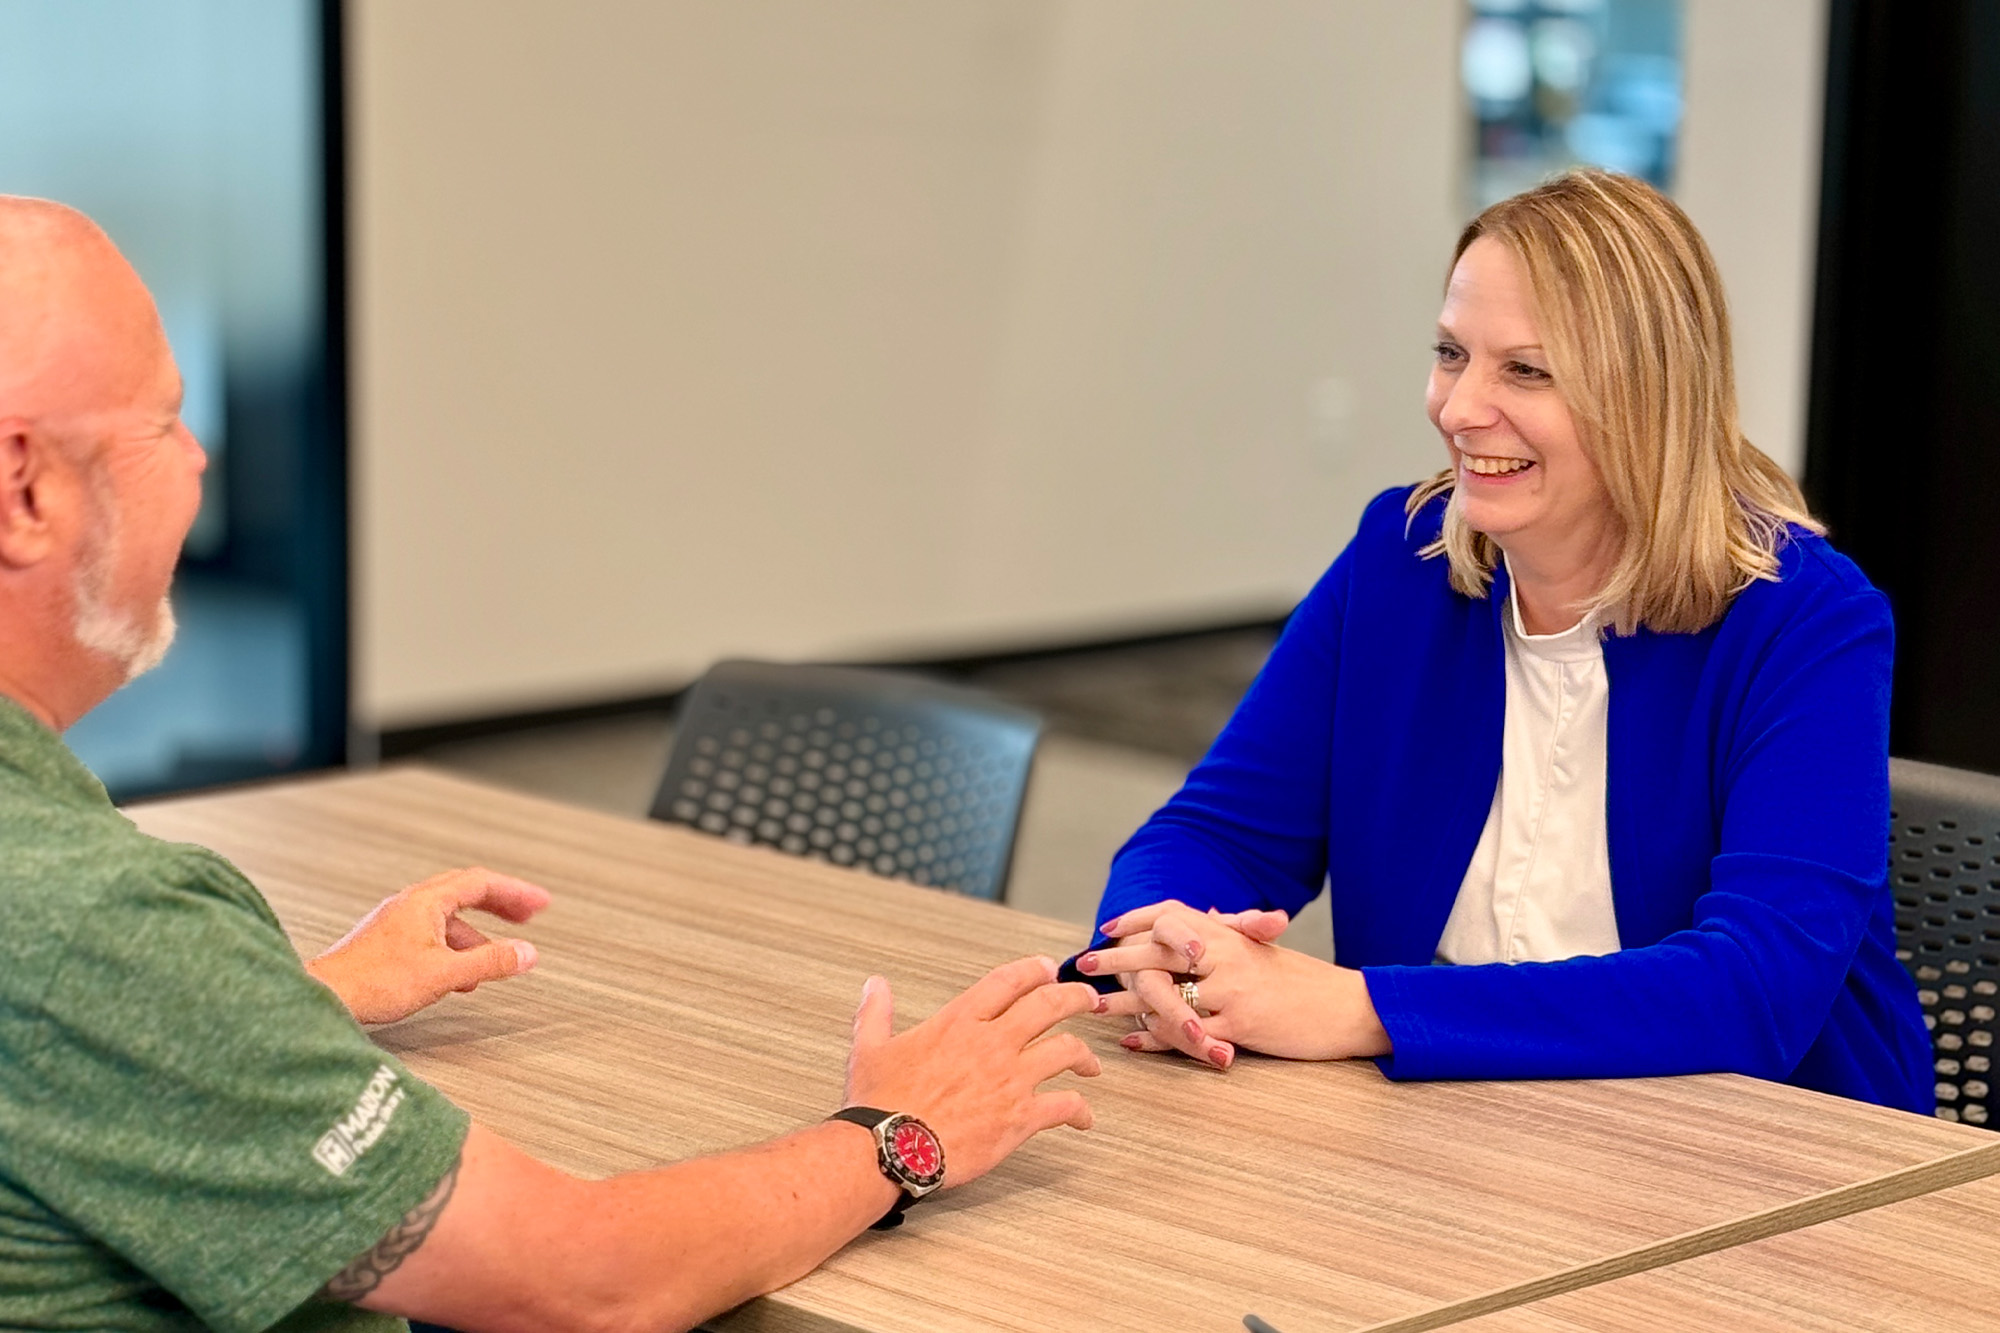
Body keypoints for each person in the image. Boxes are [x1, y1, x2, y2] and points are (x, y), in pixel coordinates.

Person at [0, 196, 1103, 1333]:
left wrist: (283, 1001)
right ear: (27, 491)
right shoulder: (95, 925)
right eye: (162, 424)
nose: (198, 458)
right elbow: (585, 1280)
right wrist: (897, 1132)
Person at [1068, 169, 1933, 1115]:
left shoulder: (1804, 619)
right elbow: (1213, 832)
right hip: (1446, 1129)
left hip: (1769, 1159)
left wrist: (1361, 1008)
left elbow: (1755, 986)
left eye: (1525, 370)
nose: (1457, 407)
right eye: (1451, 353)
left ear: (1648, 398)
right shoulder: (1397, 561)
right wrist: (1175, 951)